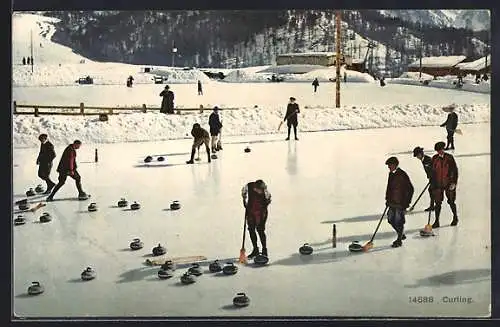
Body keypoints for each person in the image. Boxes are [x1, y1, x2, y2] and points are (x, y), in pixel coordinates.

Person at [385, 156, 414, 248]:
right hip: (392, 202)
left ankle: (399, 240)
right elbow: (389, 188)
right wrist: (387, 199)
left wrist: (406, 203)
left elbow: (410, 189)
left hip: (400, 203)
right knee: (390, 219)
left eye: (390, 165)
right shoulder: (391, 174)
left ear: (394, 165)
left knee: (398, 221)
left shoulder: (402, 175)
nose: (388, 167)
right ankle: (401, 234)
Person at [430, 141, 459, 228]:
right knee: (437, 203)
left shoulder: (449, 158)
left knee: (451, 201)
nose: (440, 152)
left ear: (443, 149)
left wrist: (454, 182)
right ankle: (437, 221)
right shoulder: (434, 159)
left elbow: (455, 171)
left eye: (441, 150)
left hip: (448, 183)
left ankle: (455, 217)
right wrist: (432, 181)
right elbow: (432, 172)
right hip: (438, 184)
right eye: (438, 150)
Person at [241, 179, 272, 258]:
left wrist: (265, 205)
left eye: (260, 190)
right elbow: (244, 192)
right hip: (251, 211)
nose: (259, 192)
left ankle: (264, 250)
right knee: (251, 229)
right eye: (258, 190)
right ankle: (255, 250)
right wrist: (244, 198)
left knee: (260, 230)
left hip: (261, 213)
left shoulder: (265, 192)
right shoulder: (249, 186)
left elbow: (268, 201)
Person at [413, 146, 435, 211]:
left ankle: (433, 206)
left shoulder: (427, 159)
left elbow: (433, 169)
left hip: (435, 178)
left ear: (420, 154)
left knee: (432, 190)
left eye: (417, 155)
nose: (417, 157)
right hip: (432, 178)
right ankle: (433, 206)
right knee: (431, 190)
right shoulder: (423, 160)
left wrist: (432, 177)